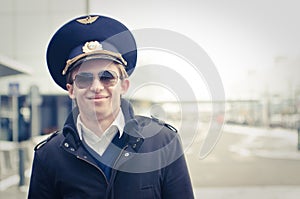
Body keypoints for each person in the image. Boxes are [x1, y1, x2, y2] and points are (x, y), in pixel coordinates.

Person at [28, 14, 194, 199]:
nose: (97, 87)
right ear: (71, 89)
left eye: (107, 77)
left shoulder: (163, 142)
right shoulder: (49, 156)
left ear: (124, 85)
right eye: (84, 78)